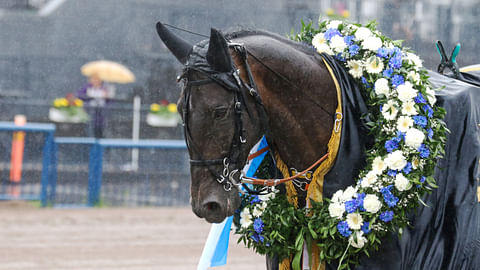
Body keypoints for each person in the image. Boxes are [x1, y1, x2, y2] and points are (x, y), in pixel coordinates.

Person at [76, 74, 115, 138]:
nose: (96, 81)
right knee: (89, 131)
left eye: (97, 79)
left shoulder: (105, 89)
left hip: (101, 115)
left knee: (100, 132)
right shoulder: (86, 88)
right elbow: (79, 96)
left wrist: (107, 96)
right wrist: (88, 97)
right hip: (89, 114)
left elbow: (110, 101)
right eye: (94, 79)